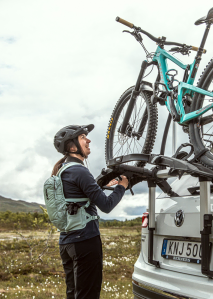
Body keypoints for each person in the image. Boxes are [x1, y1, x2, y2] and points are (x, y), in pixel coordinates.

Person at [52, 124, 128, 299]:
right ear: (72, 146)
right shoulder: (79, 170)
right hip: (85, 241)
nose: (88, 140)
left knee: (73, 294)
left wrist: (100, 186)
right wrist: (122, 187)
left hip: (66, 242)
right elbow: (106, 205)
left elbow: (79, 194)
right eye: (83, 137)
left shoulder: (62, 170)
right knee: (88, 295)